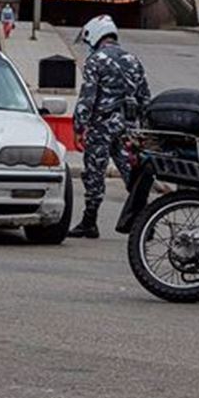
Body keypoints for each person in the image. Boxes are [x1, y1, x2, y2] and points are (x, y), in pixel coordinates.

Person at [70, 15, 150, 239]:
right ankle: (146, 223)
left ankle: (89, 221)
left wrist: (79, 127)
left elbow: (87, 97)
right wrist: (145, 131)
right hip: (128, 128)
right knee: (132, 175)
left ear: (95, 35)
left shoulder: (96, 60)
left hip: (101, 126)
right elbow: (145, 99)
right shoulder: (134, 60)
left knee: (95, 172)